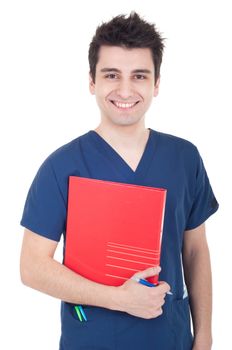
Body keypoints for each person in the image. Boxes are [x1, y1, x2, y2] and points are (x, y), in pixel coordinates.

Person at [20, 11, 219, 350]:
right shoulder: (62, 166)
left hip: (170, 340)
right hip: (92, 341)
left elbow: (195, 250)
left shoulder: (184, 158)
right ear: (92, 82)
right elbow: (32, 267)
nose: (125, 89)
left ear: (156, 83)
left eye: (139, 75)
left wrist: (204, 336)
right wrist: (117, 299)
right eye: (111, 74)